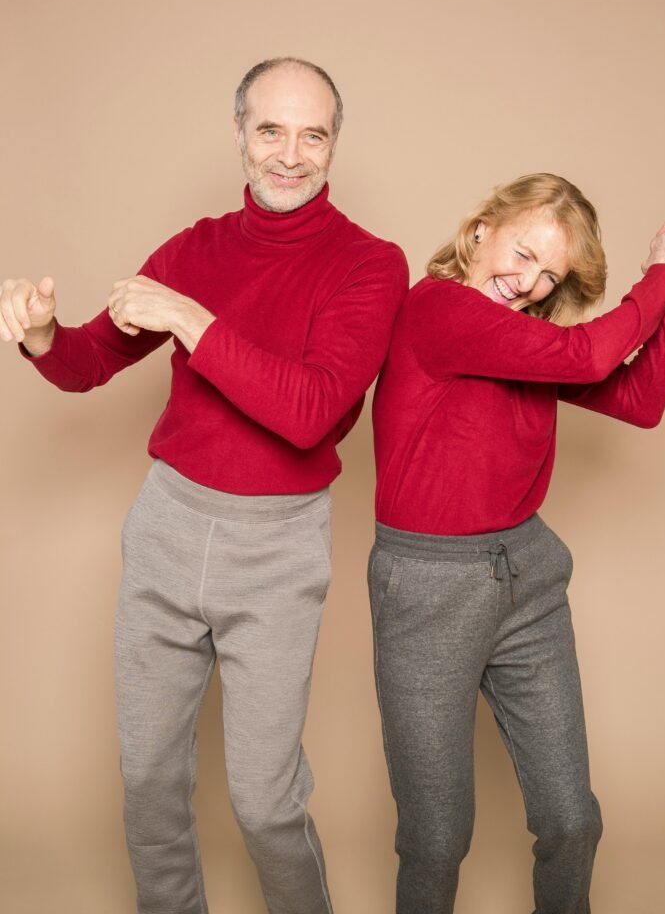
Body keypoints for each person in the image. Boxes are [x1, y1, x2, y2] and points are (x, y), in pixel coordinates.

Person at [1, 57, 408, 914]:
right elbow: (88, 364)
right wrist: (41, 338)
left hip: (277, 547)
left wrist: (189, 317)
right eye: (270, 131)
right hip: (167, 528)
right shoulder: (195, 246)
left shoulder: (371, 265)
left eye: (312, 135)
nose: (290, 155)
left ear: (334, 146)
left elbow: (309, 412)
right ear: (239, 137)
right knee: (148, 782)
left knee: (263, 802)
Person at [369, 173, 665, 914]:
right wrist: (662, 274)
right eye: (523, 253)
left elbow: (637, 401)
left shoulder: (528, 340)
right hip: (428, 587)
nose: (529, 282)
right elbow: (588, 359)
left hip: (528, 578)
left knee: (572, 821)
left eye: (549, 274)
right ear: (480, 230)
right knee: (436, 838)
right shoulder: (436, 308)